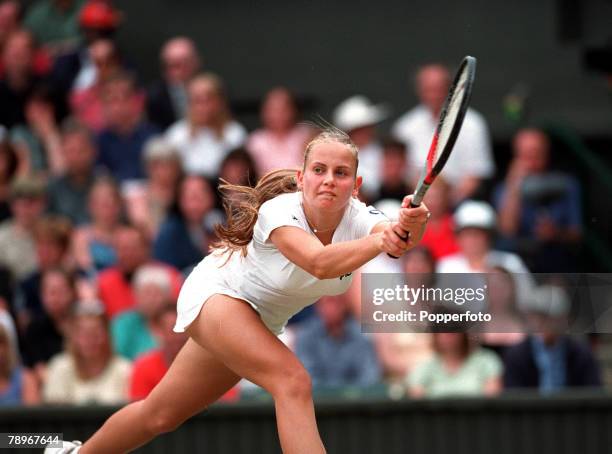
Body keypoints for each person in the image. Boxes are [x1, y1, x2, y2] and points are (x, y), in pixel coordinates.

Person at [46, 128, 430, 454]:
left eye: (341, 172)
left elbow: (398, 238)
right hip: (218, 295)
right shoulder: (279, 212)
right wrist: (387, 241)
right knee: (292, 381)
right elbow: (318, 262)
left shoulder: (361, 217)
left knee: (160, 415)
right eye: (319, 170)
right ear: (301, 178)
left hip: (256, 320)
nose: (329, 179)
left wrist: (410, 227)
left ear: (356, 185)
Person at [392, 64, 495, 203]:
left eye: (438, 89)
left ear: (451, 89)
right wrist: (422, 200)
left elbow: (476, 175)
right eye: (428, 89)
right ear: (419, 90)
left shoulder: (473, 124)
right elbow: (403, 174)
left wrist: (446, 202)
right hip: (416, 203)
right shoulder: (405, 126)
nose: (434, 95)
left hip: (459, 203)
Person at [493, 128, 582, 272]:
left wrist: (556, 233)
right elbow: (506, 230)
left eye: (537, 151)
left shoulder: (566, 184)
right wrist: (514, 185)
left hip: (555, 261)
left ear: (546, 153)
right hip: (519, 263)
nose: (532, 158)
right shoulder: (505, 188)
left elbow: (576, 235)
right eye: (526, 153)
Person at [503, 285, 602, 391]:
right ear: (532, 318)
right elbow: (514, 396)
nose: (548, 324)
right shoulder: (516, 356)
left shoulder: (581, 354)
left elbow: (593, 392)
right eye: (542, 317)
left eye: (554, 318)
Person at [43, 300, 132, 404]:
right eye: (83, 333)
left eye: (96, 333)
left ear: (107, 335)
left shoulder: (125, 370)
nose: (90, 340)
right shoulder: (59, 368)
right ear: (72, 336)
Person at [164, 73, 247, 178]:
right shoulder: (176, 135)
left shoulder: (235, 133)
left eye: (208, 100)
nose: (203, 107)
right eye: (197, 101)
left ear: (220, 102)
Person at [295, 294, 381, 388]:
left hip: (355, 401)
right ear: (318, 305)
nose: (332, 307)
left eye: (337, 302)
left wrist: (348, 395)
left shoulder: (361, 336)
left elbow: (369, 378)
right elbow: (306, 378)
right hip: (317, 401)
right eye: (328, 302)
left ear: (344, 304)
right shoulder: (306, 336)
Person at [407, 331, 503, 398]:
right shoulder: (424, 367)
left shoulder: (486, 361)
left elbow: (492, 401)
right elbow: (417, 402)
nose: (448, 335)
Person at [333, 95, 388, 202]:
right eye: (359, 129)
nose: (365, 132)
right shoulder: (339, 158)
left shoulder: (384, 150)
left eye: (367, 126)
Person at [247, 87, 312, 176]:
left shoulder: (307, 135)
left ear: (294, 110)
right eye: (273, 109)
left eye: (283, 109)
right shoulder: (255, 141)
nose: (278, 115)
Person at [146, 37, 201, 130]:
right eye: (172, 66)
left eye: (183, 64)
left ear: (195, 63)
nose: (177, 72)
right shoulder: (154, 97)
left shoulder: (212, 89)